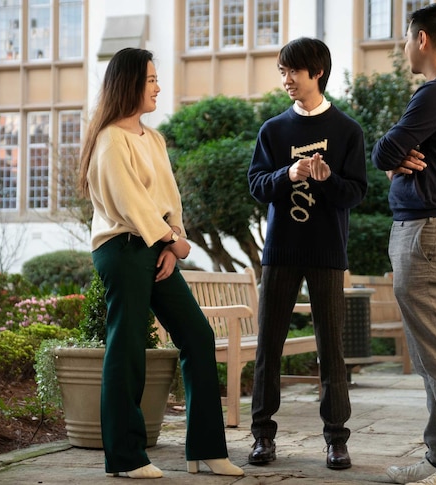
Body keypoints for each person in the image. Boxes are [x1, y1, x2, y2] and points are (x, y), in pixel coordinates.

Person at [77, 47, 243, 480]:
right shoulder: (110, 139)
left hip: (155, 247)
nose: (158, 87)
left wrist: (173, 243)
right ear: (129, 83)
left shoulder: (154, 139)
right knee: (128, 346)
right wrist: (171, 240)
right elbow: (129, 203)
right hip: (122, 249)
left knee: (197, 336)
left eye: (156, 79)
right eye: (150, 79)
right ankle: (126, 457)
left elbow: (169, 201)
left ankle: (206, 449)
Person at [247, 37, 368, 471]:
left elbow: (355, 194)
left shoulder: (347, 131)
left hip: (326, 251)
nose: (286, 80)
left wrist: (326, 178)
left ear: (317, 71)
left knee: (331, 348)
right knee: (269, 346)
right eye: (281, 72)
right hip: (280, 251)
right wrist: (288, 173)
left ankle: (337, 440)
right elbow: (258, 185)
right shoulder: (273, 131)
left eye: (292, 71)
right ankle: (262, 436)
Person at [371, 4, 436, 485]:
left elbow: (384, 151)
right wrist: (398, 158)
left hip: (428, 233)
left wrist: (394, 160)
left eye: (406, 37)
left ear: (422, 40)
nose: (404, 46)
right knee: (429, 355)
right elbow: (394, 153)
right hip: (428, 231)